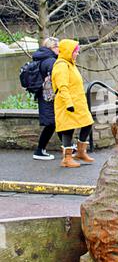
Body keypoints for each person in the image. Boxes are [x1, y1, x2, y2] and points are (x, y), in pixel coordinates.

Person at [51, 39, 94, 168]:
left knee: (88, 123)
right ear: (69, 52)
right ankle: (67, 158)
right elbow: (62, 86)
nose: (77, 54)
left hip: (78, 103)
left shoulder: (70, 64)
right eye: (76, 52)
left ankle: (81, 152)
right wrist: (68, 103)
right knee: (67, 129)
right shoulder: (61, 65)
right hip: (67, 103)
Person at [32, 37, 60, 160]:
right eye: (57, 46)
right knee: (52, 123)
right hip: (48, 97)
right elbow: (53, 78)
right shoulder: (50, 61)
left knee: (55, 122)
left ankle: (68, 145)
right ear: (51, 48)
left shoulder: (42, 58)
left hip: (43, 95)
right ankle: (39, 151)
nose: (59, 49)